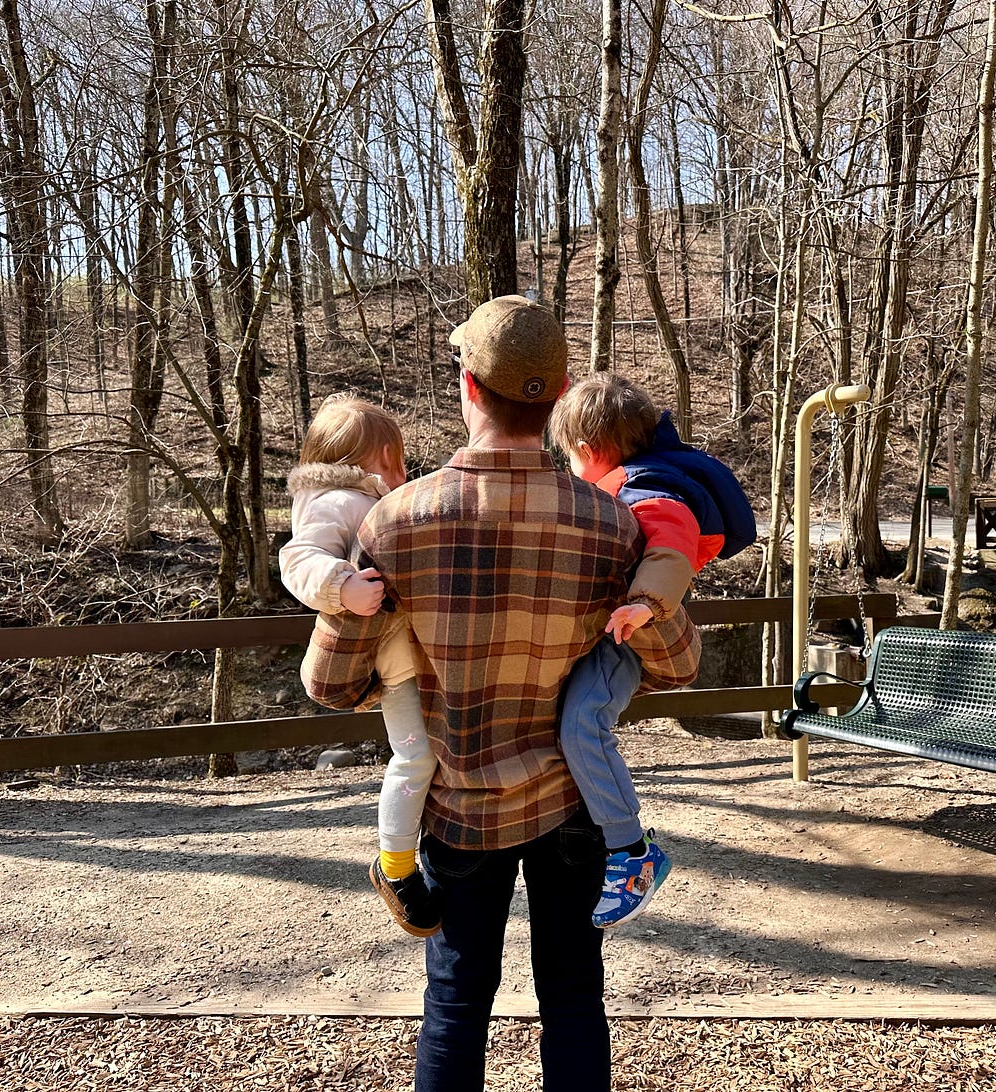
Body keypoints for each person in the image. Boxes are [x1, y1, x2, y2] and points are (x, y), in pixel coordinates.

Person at [301, 295, 701, 1092]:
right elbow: (678, 663)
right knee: (574, 1000)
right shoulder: (611, 524)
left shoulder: (393, 521)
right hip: (572, 808)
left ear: (468, 386)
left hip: (459, 807)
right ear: (554, 399)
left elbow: (331, 684)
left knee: (456, 1002)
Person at [546, 374, 755, 928]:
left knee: (583, 724)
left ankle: (631, 852)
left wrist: (646, 602)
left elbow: (672, 541)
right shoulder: (633, 476)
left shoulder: (645, 490)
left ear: (588, 452)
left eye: (570, 456)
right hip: (616, 625)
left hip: (626, 635)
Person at [279, 393, 441, 937]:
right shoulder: (337, 503)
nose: (398, 472)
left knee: (435, 754)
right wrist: (341, 586)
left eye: (399, 460)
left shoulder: (365, 498)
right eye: (387, 462)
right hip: (395, 663)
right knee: (415, 758)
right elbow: (298, 559)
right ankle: (395, 867)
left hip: (419, 654)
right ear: (346, 464)